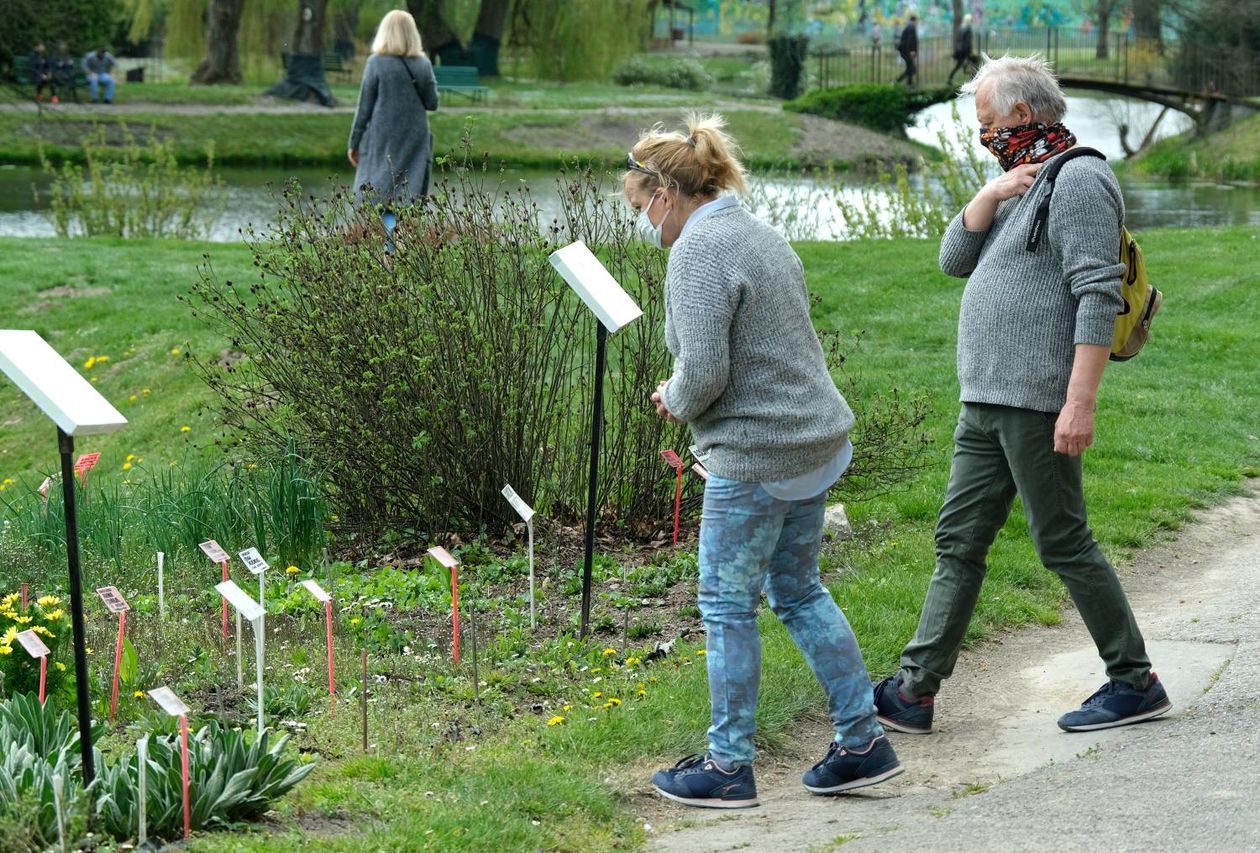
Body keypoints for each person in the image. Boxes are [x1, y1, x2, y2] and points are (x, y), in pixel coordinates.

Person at [872, 55, 1171, 737]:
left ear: (1023, 115)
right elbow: (953, 260)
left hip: (1037, 399)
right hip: (984, 400)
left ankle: (1134, 680)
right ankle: (914, 691)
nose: (983, 134)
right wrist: (990, 194)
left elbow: (1097, 293)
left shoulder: (1082, 178)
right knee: (958, 540)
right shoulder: (1023, 180)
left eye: (988, 122)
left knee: (1062, 540)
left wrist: (1080, 400)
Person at [626, 114, 903, 810]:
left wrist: (673, 395)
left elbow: (706, 372)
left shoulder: (697, 249)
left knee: (724, 604)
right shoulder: (758, 230)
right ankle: (863, 741)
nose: (644, 221)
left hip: (755, 453)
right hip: (809, 440)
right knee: (800, 590)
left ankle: (727, 766)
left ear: (666, 191)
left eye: (640, 206)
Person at [348, 7, 439, 247]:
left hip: (382, 138)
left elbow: (364, 107)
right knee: (405, 196)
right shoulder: (422, 64)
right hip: (414, 139)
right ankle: (394, 247)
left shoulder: (376, 63)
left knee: (378, 192)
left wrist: (354, 143)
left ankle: (387, 248)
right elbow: (432, 103)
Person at [947, 14, 978, 85]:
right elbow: (968, 41)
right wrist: (970, 52)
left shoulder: (961, 28)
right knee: (973, 63)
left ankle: (971, 77)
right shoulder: (968, 29)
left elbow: (959, 40)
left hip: (959, 49)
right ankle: (972, 79)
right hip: (965, 50)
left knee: (962, 64)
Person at [895, 13, 918, 86]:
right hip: (907, 51)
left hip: (905, 51)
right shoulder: (911, 27)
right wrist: (912, 50)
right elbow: (911, 40)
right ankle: (898, 81)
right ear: (914, 20)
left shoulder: (909, 26)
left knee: (911, 68)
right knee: (911, 69)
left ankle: (909, 84)